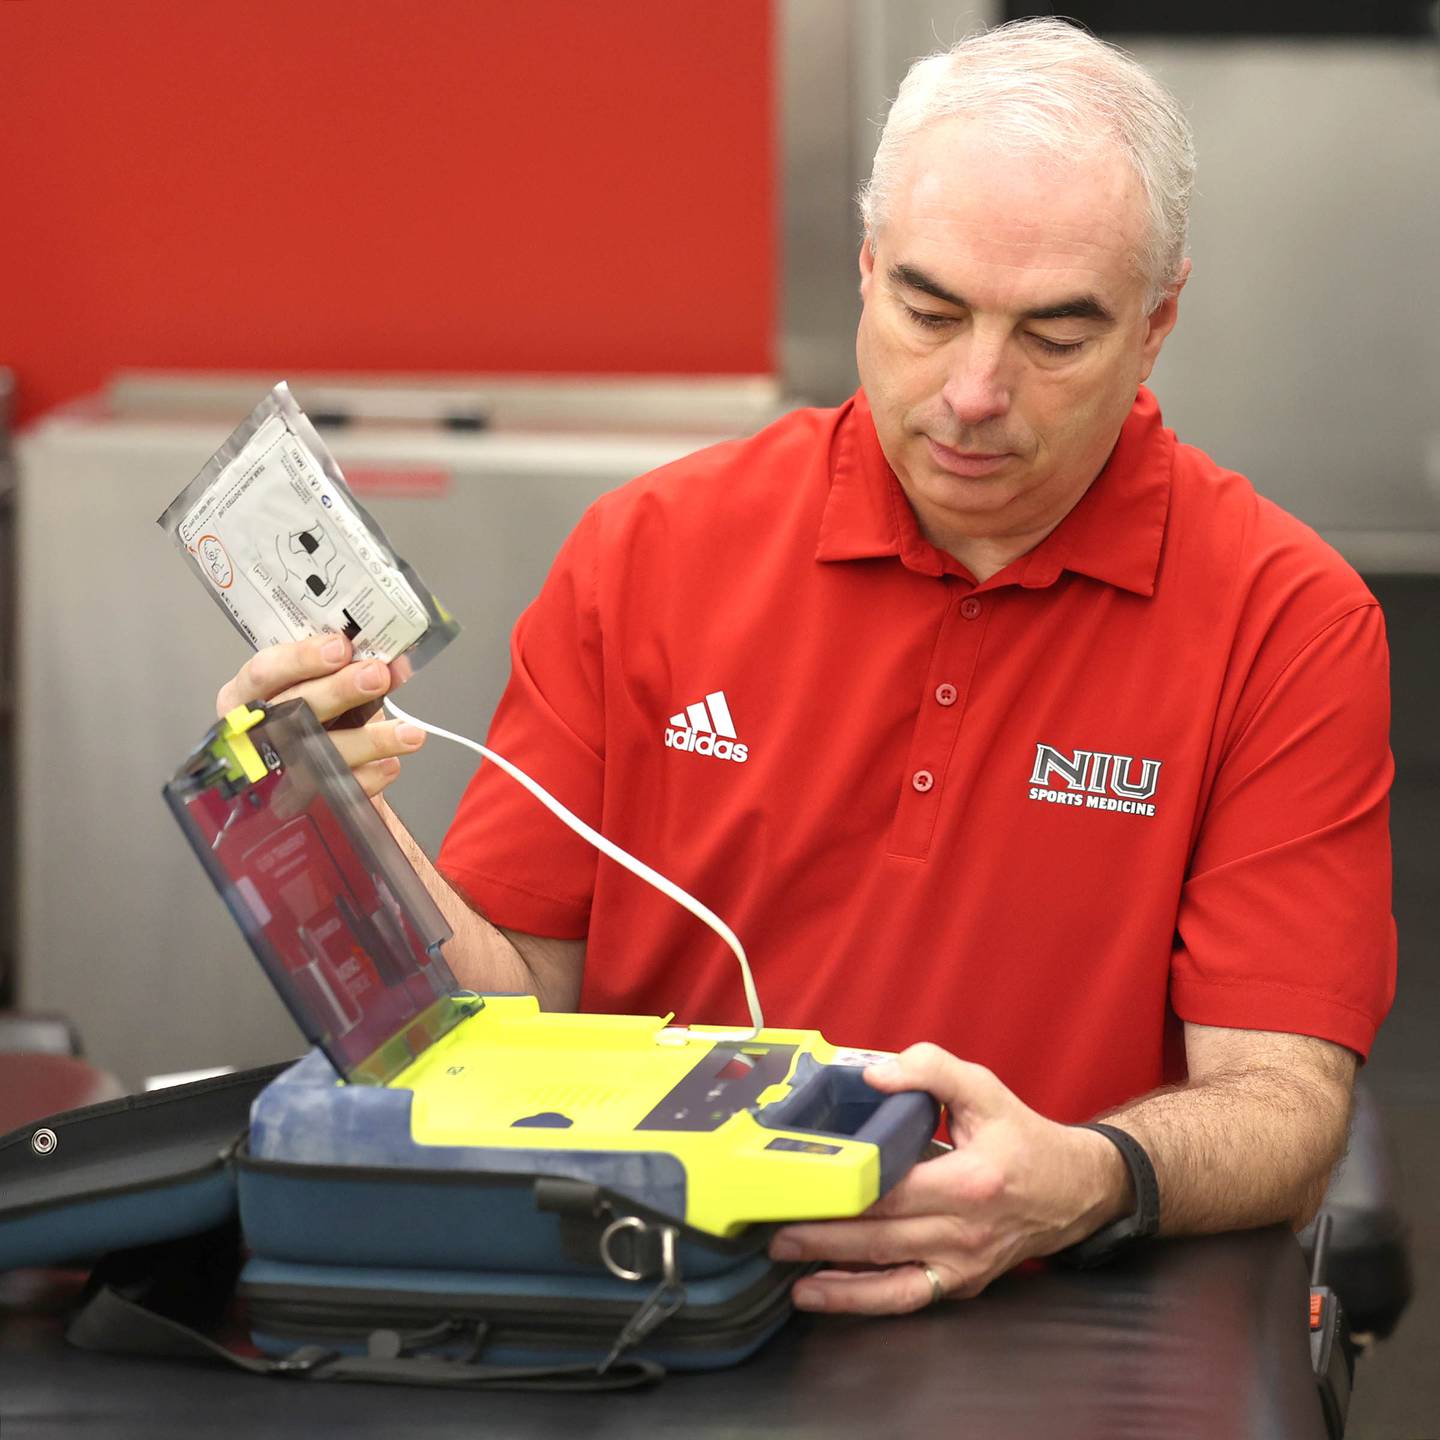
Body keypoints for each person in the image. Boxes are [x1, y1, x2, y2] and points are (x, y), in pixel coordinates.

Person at [215, 19, 1394, 1315]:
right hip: (662, 1285)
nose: (974, 393)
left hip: (1043, 1299)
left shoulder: (1284, 618)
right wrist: (340, 819)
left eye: (1054, 338)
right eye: (929, 311)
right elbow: (516, 1009)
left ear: (1157, 324)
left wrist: (1086, 1175)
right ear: (867, 267)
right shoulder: (652, 552)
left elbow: (1284, 1102)